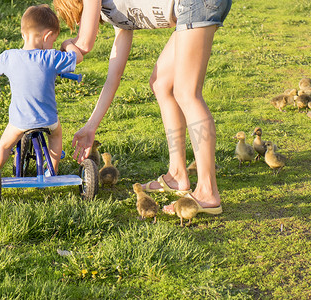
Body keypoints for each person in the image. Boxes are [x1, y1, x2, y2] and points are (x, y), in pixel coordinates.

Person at [54, 0, 231, 214]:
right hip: (190, 7)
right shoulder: (115, 12)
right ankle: (176, 175)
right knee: (161, 83)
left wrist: (66, 45)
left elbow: (84, 45)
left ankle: (207, 191)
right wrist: (91, 126)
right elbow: (113, 77)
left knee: (187, 93)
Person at [0, 4, 83, 177]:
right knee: (56, 136)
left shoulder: (10, 57)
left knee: (4, 145)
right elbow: (77, 57)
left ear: (23, 34)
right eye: (54, 41)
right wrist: (67, 44)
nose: (53, 45)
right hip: (49, 119)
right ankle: (53, 169)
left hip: (20, 121)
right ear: (47, 36)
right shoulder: (52, 57)